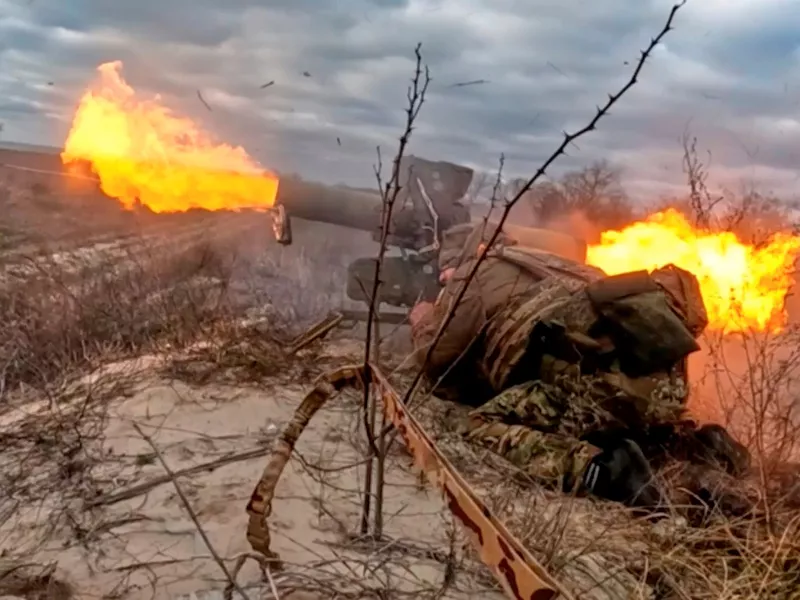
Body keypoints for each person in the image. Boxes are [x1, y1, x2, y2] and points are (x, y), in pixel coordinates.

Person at [409, 222, 752, 516]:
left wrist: (423, 319)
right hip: (655, 387)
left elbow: (437, 357)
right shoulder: (563, 262)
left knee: (475, 425)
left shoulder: (475, 270)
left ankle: (601, 470)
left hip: (590, 383)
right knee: (624, 423)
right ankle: (700, 445)